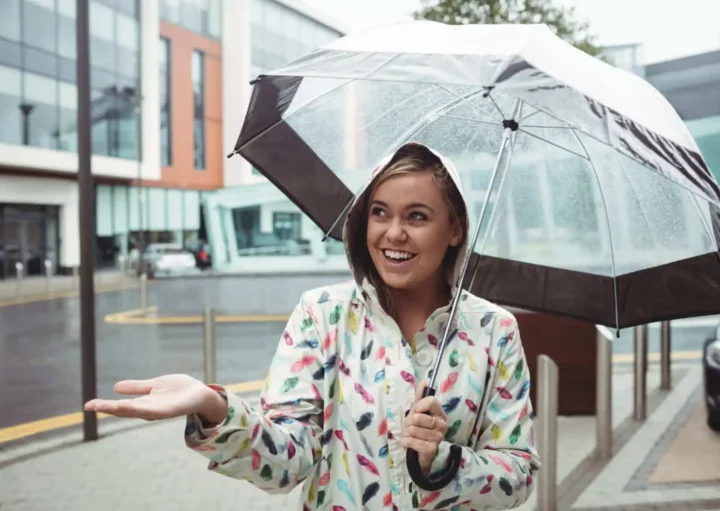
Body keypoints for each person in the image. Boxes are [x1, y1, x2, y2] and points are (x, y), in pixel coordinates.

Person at [85, 142, 540, 510]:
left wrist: (441, 462)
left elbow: (519, 475)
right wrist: (215, 410)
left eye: (417, 216)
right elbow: (288, 463)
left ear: (455, 229)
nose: (393, 233)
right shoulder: (322, 314)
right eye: (380, 212)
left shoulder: (492, 330)